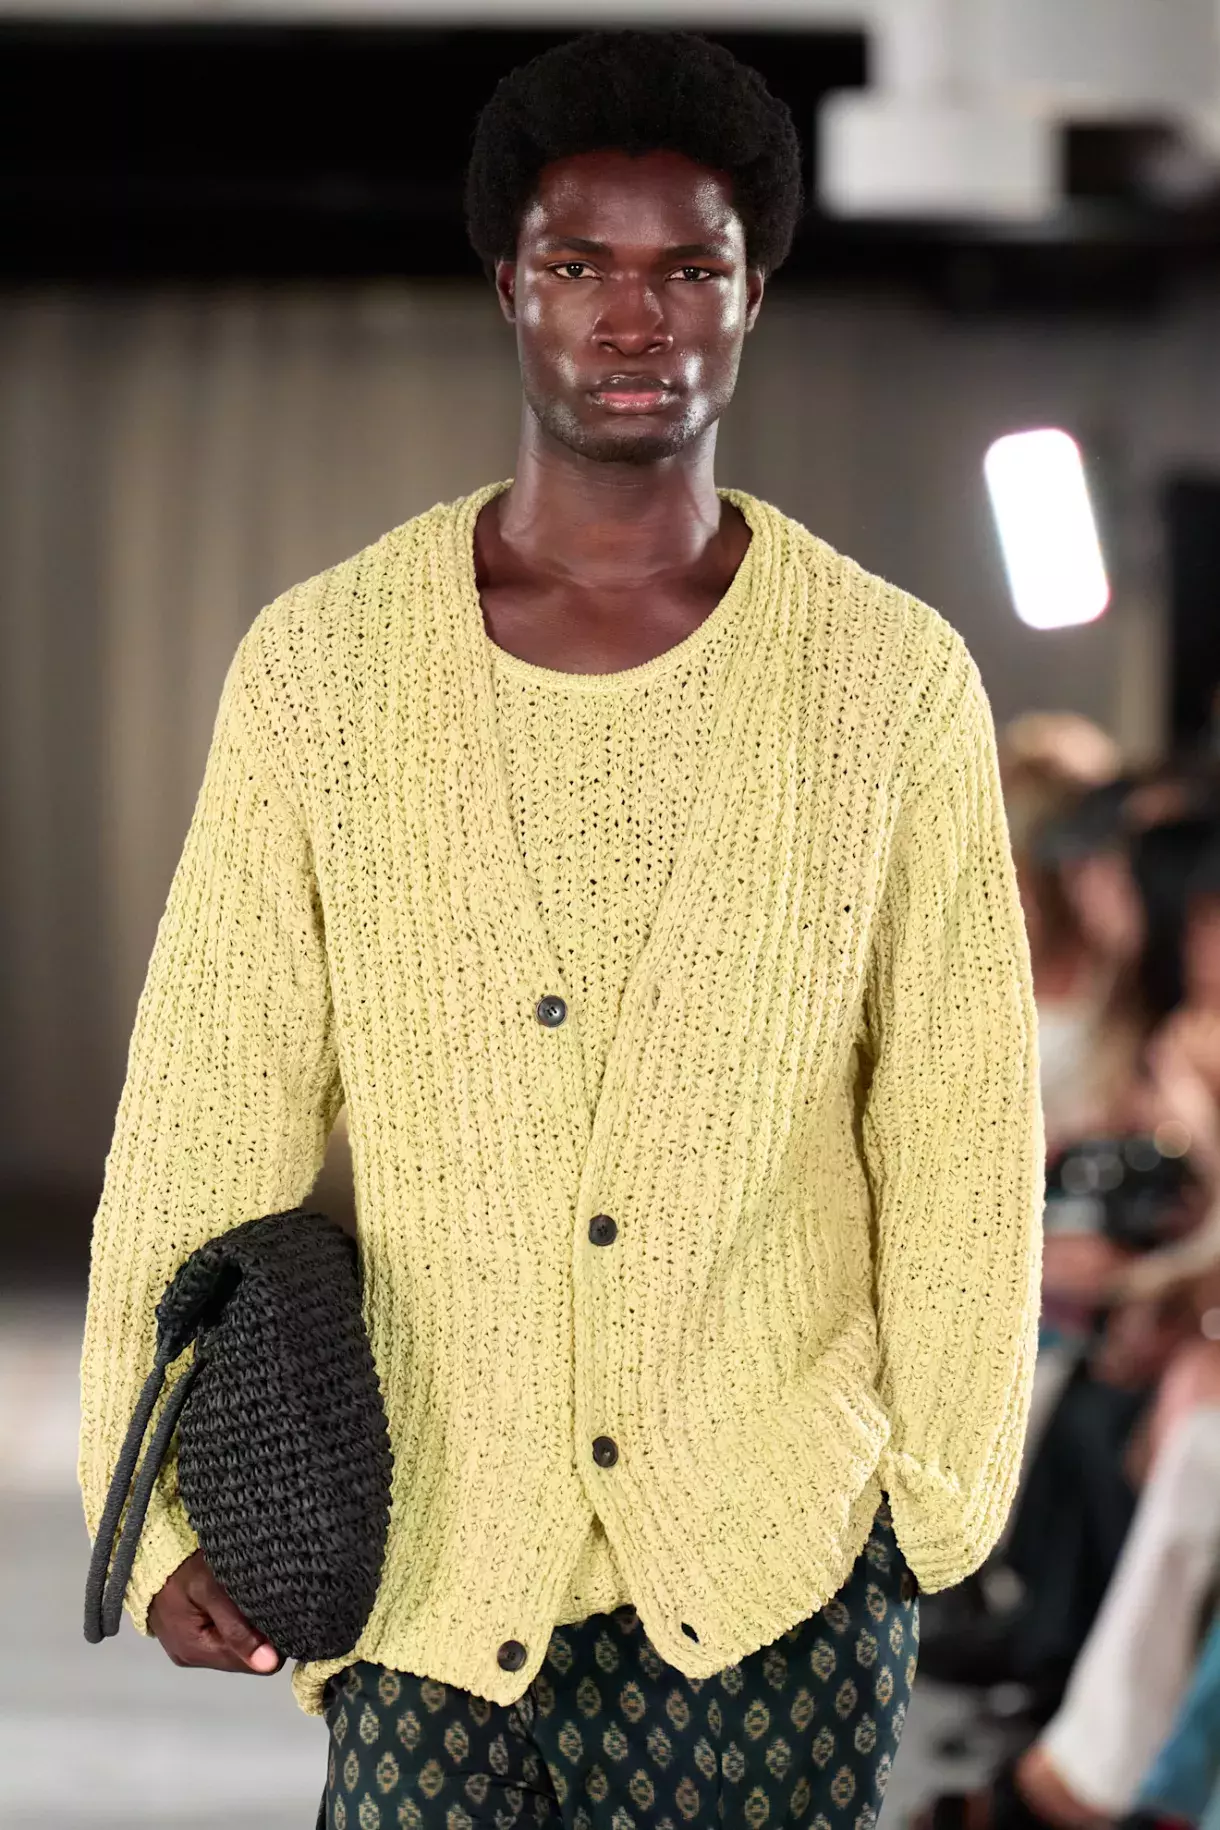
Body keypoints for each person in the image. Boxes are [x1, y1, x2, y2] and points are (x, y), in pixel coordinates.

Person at [77, 30, 1044, 1829]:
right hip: (436, 1567)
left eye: (690, 268)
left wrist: (931, 1500)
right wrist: (153, 1498)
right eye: (581, 263)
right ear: (508, 287)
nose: (634, 318)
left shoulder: (891, 682)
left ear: (752, 299)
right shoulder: (324, 669)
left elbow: (959, 1119)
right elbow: (212, 1096)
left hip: (777, 1570)